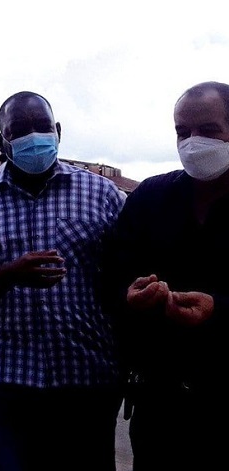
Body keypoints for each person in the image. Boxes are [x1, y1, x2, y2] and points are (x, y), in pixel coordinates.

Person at [0, 91, 126, 471]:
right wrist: (10, 274)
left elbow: (126, 276)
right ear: (1, 141)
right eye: (19, 130)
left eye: (42, 126)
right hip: (3, 378)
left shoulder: (102, 194)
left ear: (58, 131)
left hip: (86, 374)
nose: (34, 137)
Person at [103, 81, 229, 470]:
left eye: (208, 130)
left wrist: (219, 309)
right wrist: (129, 295)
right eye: (182, 131)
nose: (193, 142)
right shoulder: (150, 197)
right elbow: (111, 273)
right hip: (161, 400)